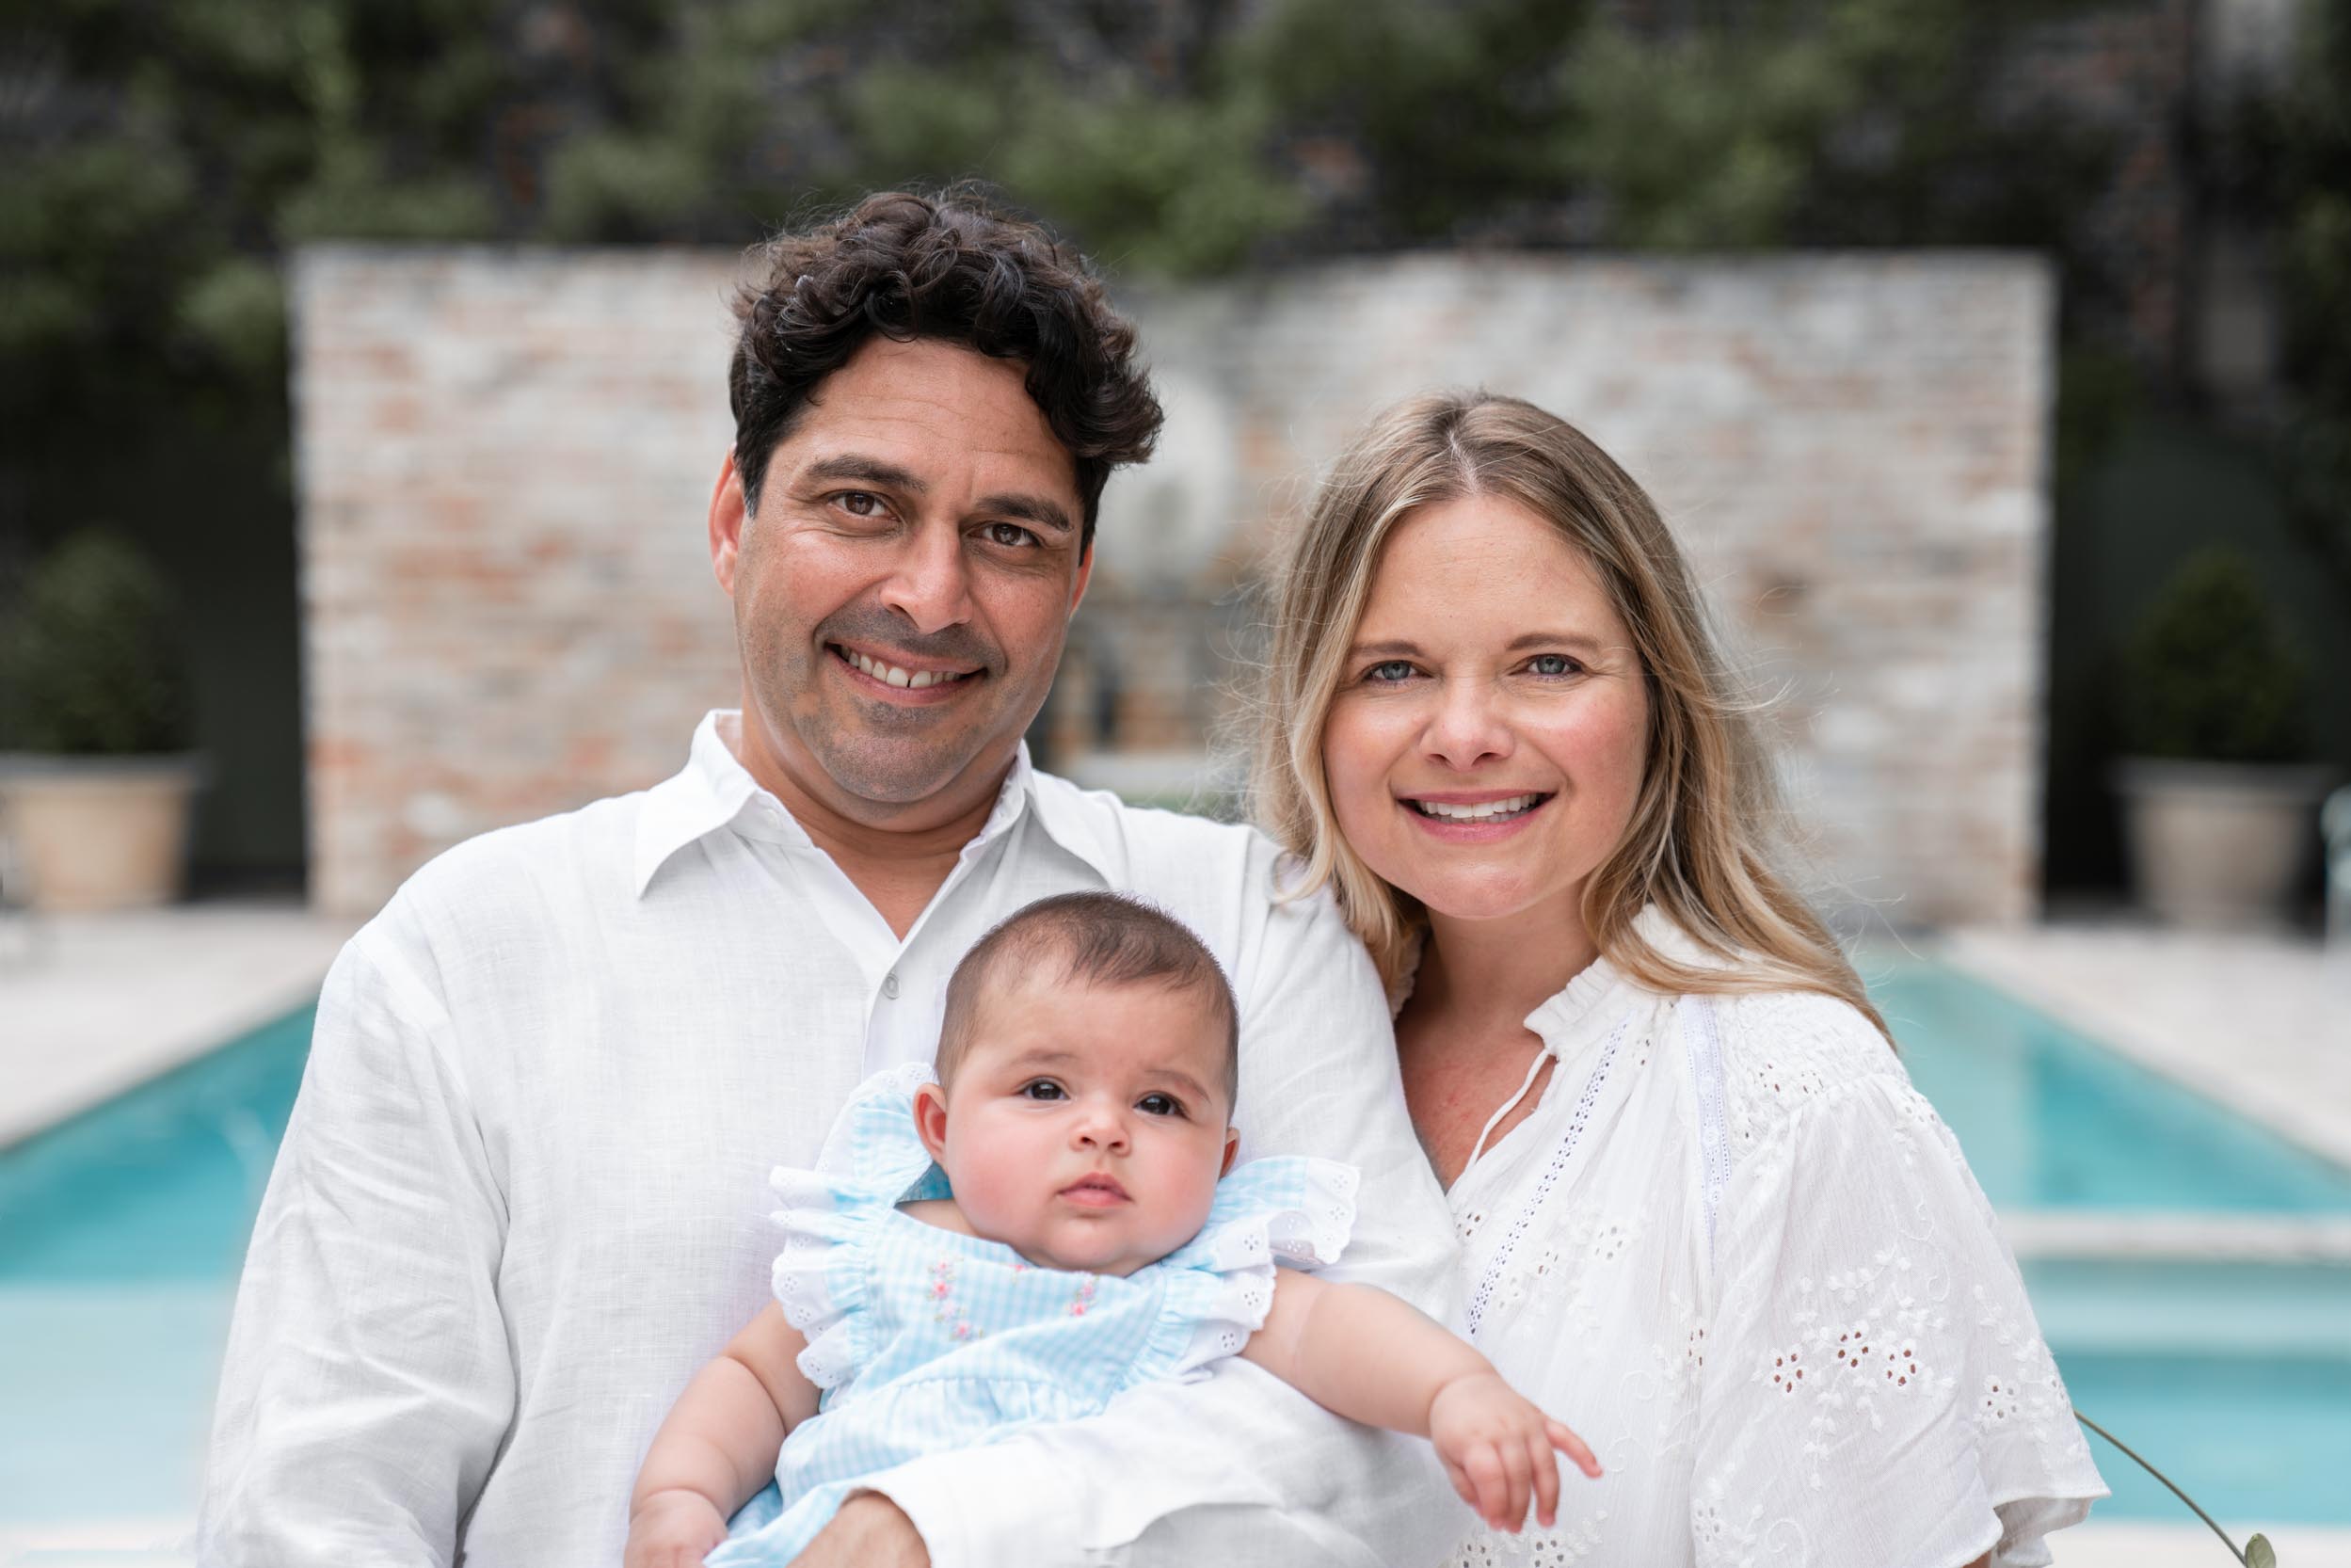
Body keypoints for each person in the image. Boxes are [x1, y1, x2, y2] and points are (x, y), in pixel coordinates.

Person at [200, 191, 1462, 1568]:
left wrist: (936, 1530)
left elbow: (1392, 1459)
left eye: (1010, 534)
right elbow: (313, 1511)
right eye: (862, 504)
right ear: (732, 520)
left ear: (1077, 578)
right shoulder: (464, 956)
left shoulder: (1248, 925)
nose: (928, 595)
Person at [1254, 391, 2108, 1568]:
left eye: (1545, 664)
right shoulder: (1239, 1053)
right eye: (1392, 668)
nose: (1463, 731)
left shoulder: (1793, 1107)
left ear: (1657, 699)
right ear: (1315, 710)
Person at [624, 891, 1601, 1568]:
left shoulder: (1194, 1281)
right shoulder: (878, 1252)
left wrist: (1453, 1391)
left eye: (1159, 1104)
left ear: (1222, 1160)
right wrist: (678, 1497)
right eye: (1045, 1089)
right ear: (939, 1127)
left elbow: (1332, 1330)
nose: (1103, 1129)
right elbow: (755, 1380)